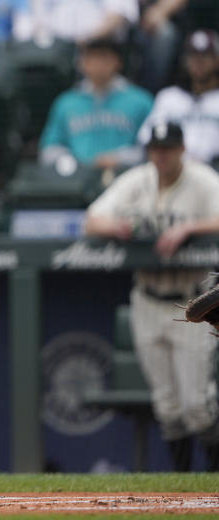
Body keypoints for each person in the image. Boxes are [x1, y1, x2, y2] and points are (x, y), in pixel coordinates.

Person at [85, 121, 219, 471]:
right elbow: (92, 219)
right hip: (147, 298)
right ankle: (185, 487)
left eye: (168, 149)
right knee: (167, 406)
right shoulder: (136, 181)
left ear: (181, 150)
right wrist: (118, 228)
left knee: (196, 406)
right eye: (155, 149)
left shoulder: (202, 180)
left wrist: (189, 227)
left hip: (193, 303)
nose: (161, 155)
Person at [39, 37, 153, 170]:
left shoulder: (140, 101)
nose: (98, 64)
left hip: (125, 176)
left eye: (104, 57)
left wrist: (120, 158)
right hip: (76, 180)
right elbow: (48, 150)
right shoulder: (66, 102)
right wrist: (72, 161)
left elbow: (153, 150)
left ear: (118, 62)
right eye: (92, 58)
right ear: (82, 63)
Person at [138, 30, 219, 164]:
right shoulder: (169, 97)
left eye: (205, 57)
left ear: (217, 60)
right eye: (193, 56)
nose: (199, 62)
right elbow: (146, 137)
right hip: (174, 169)